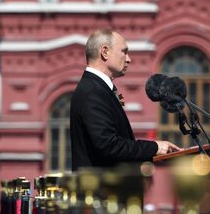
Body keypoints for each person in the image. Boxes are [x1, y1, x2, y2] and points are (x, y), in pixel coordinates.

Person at [70, 29, 180, 170]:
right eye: (124, 51)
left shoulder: (97, 88)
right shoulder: (93, 91)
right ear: (105, 52)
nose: (129, 59)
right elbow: (109, 145)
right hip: (101, 189)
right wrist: (155, 147)